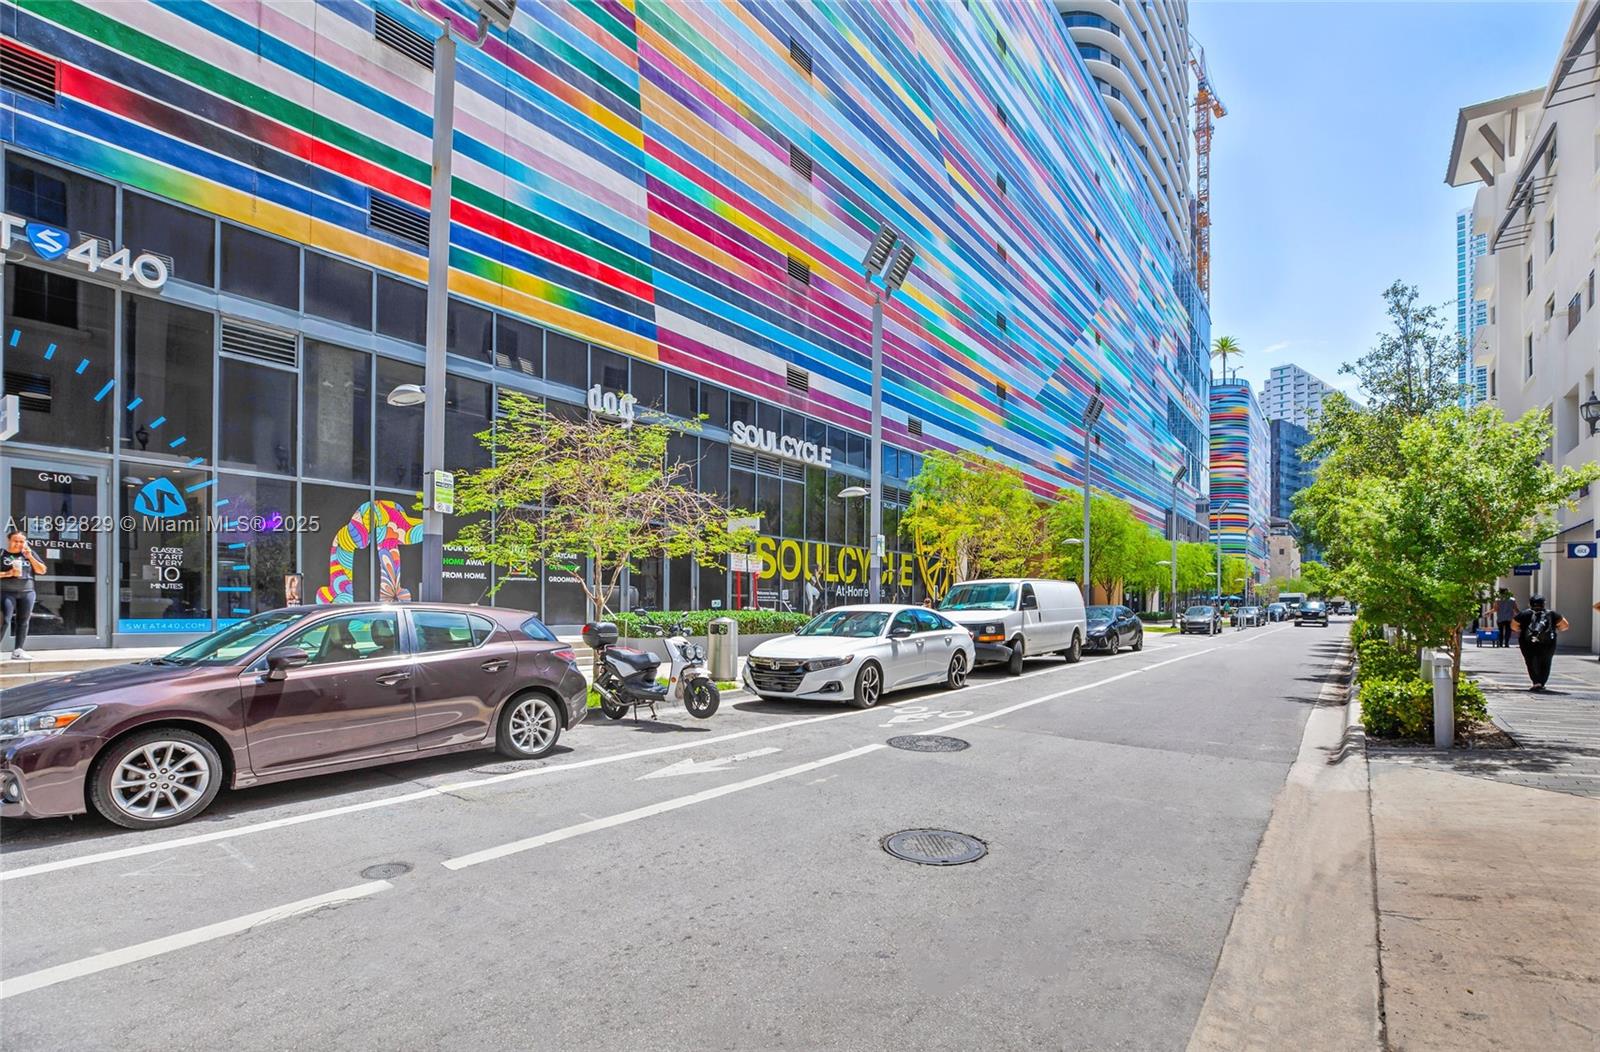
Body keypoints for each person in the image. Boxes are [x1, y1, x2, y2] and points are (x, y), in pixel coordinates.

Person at [2, 529, 47, 660]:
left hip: (27, 592)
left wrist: (30, 557)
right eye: (16, 541)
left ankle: (18, 650)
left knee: (23, 621)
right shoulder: (2, 554)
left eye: (22, 541)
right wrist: (8, 574)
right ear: (9, 540)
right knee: (4, 620)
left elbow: (42, 570)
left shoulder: (29, 553)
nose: (19, 544)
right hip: (5, 591)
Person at [1512, 595, 1569, 691]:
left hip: (1527, 643)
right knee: (1546, 661)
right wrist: (1556, 629)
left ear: (1530, 603)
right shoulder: (1552, 614)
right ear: (1544, 604)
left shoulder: (1523, 614)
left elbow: (1514, 626)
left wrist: (1523, 630)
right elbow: (1565, 625)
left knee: (1530, 661)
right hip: (1548, 643)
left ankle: (1536, 682)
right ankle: (1542, 682)